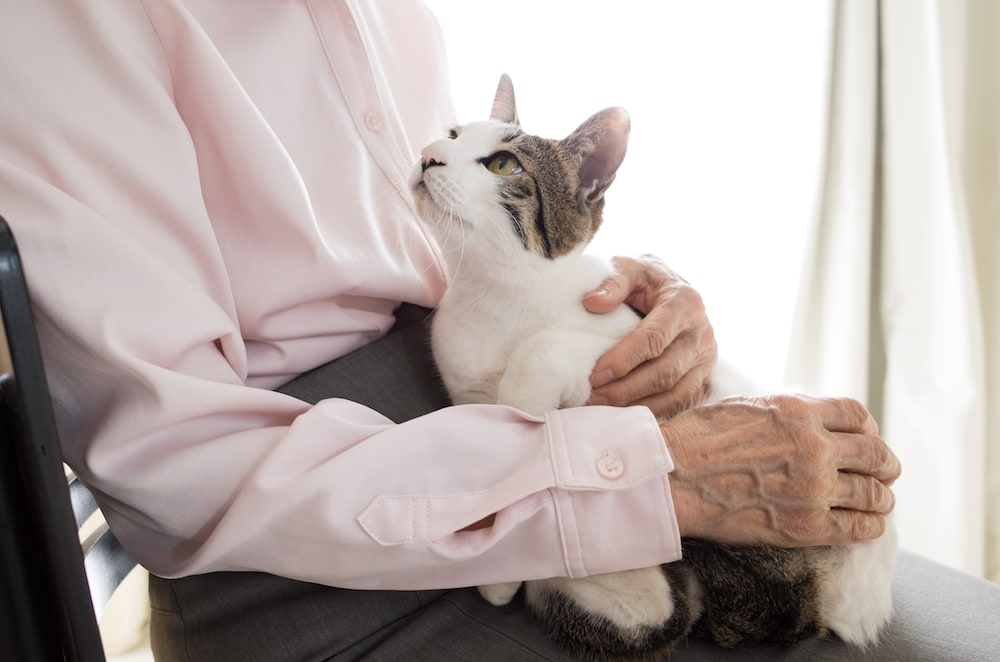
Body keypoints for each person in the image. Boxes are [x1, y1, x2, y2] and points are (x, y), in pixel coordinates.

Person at [0, 1, 899, 660]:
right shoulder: (60, 32)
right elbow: (181, 468)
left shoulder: (395, 16)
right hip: (314, 578)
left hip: (488, 445)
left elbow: (452, 232)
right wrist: (628, 483)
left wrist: (628, 295)